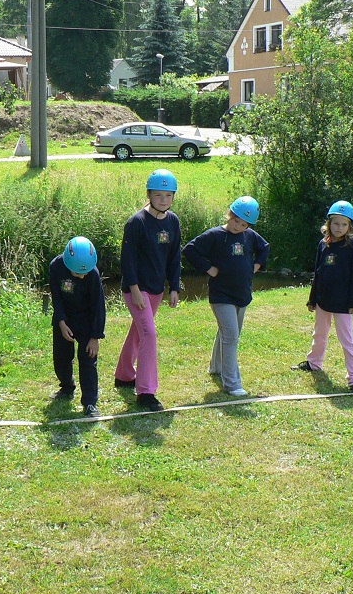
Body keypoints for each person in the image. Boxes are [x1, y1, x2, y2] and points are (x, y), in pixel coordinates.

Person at [182, 196, 270, 398]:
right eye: (236, 221)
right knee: (231, 336)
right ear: (230, 215)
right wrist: (208, 268)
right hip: (221, 295)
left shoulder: (249, 235)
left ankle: (216, 367)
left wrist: (256, 266)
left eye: (243, 224)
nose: (238, 227)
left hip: (242, 293)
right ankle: (232, 383)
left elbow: (264, 247)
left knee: (228, 332)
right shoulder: (215, 235)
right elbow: (190, 250)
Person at [114, 169, 181, 412]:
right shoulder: (137, 222)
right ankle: (146, 392)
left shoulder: (173, 221)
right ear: (149, 194)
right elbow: (128, 259)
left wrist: (174, 287)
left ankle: (123, 375)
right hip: (137, 290)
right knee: (149, 335)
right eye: (158, 194)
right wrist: (134, 290)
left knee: (138, 331)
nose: (163, 199)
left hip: (156, 289)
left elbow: (174, 257)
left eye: (168, 195)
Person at [293, 200, 353, 393]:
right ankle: (314, 362)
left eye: (343, 224)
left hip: (343, 303)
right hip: (323, 300)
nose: (339, 228)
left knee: (347, 340)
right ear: (329, 223)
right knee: (319, 333)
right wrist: (312, 298)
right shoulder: (323, 244)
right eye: (336, 223)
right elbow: (318, 272)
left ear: (349, 226)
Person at [49, 236, 107, 418]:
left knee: (88, 361)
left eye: (85, 272)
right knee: (61, 357)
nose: (82, 276)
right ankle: (67, 387)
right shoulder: (56, 267)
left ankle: (90, 403)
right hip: (65, 319)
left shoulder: (93, 274)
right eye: (77, 273)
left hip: (87, 321)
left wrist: (95, 336)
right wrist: (61, 322)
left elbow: (98, 306)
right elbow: (56, 297)